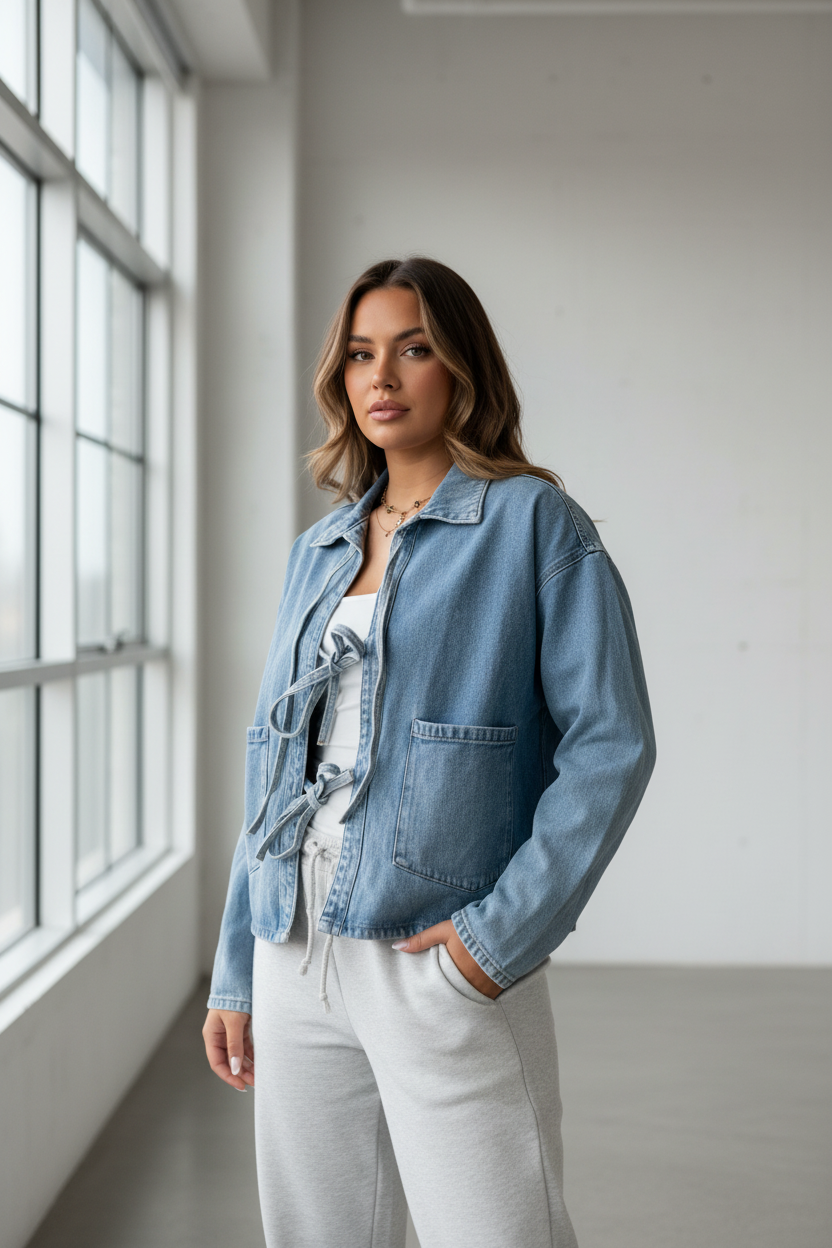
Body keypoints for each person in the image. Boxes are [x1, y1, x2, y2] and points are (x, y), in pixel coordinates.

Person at [203, 256, 656, 1248]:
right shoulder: (318, 549)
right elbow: (273, 768)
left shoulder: (532, 524)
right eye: (360, 354)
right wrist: (237, 969)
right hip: (292, 944)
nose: (382, 376)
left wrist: (493, 944)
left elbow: (611, 744)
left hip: (433, 945)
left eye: (413, 349)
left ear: (461, 366)